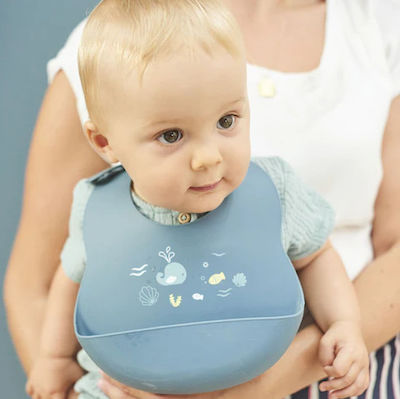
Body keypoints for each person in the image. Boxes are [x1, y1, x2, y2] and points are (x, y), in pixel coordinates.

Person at [4, 0, 399, 399]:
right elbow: (68, 281)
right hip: (128, 385)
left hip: (296, 372)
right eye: (171, 135)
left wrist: (345, 324)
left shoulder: (274, 190)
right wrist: (54, 359)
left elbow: (316, 256)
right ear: (105, 142)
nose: (208, 156)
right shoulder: (98, 207)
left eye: (226, 122)